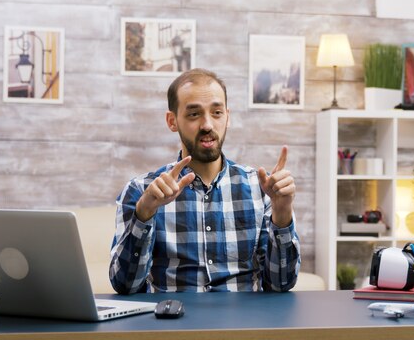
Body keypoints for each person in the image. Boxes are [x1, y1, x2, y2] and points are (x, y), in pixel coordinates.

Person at [109, 68, 301, 294]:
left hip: (243, 325)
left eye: (217, 112)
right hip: (171, 325)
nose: (207, 125)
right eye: (193, 114)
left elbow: (282, 284)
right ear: (172, 121)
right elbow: (125, 286)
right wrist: (144, 213)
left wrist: (282, 214)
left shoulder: (261, 190)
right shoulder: (140, 191)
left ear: (227, 117)